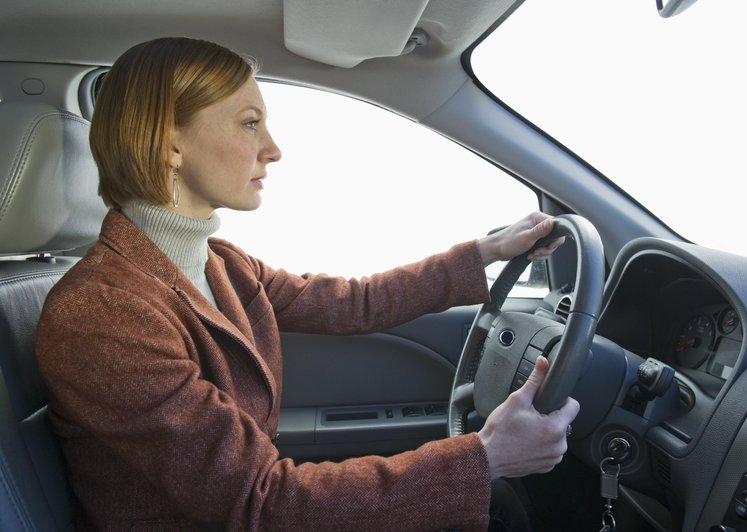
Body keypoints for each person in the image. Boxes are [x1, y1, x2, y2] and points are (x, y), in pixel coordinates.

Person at [35, 37, 579, 531]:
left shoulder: (219, 263)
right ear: (170, 145)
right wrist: (485, 457)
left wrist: (486, 252)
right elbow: (263, 502)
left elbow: (354, 303)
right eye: (250, 123)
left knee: (495, 507)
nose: (273, 148)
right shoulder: (101, 314)